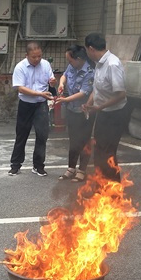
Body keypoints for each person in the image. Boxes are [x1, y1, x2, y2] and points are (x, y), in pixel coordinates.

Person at [83, 33, 127, 182]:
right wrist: (90, 102)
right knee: (100, 150)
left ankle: (113, 188)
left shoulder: (112, 64)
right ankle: (101, 186)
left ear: (91, 49)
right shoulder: (99, 63)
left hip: (115, 114)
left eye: (87, 51)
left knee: (108, 153)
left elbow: (120, 94)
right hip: (103, 112)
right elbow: (98, 89)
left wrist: (99, 107)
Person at [8, 41, 55, 176]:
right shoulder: (20, 67)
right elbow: (20, 88)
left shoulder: (45, 64)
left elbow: (50, 80)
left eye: (39, 56)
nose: (37, 59)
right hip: (26, 104)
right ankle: (15, 165)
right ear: (26, 55)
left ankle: (38, 165)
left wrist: (52, 83)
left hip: (41, 104)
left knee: (42, 135)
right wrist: (39, 93)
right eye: (34, 57)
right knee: (22, 135)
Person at [55, 45, 95, 182]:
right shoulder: (72, 66)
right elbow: (64, 76)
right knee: (73, 140)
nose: (69, 63)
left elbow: (83, 93)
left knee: (84, 140)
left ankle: (82, 170)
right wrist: (61, 84)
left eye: (70, 60)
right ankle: (71, 168)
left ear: (79, 59)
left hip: (84, 111)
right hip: (71, 109)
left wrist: (65, 99)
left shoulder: (90, 72)